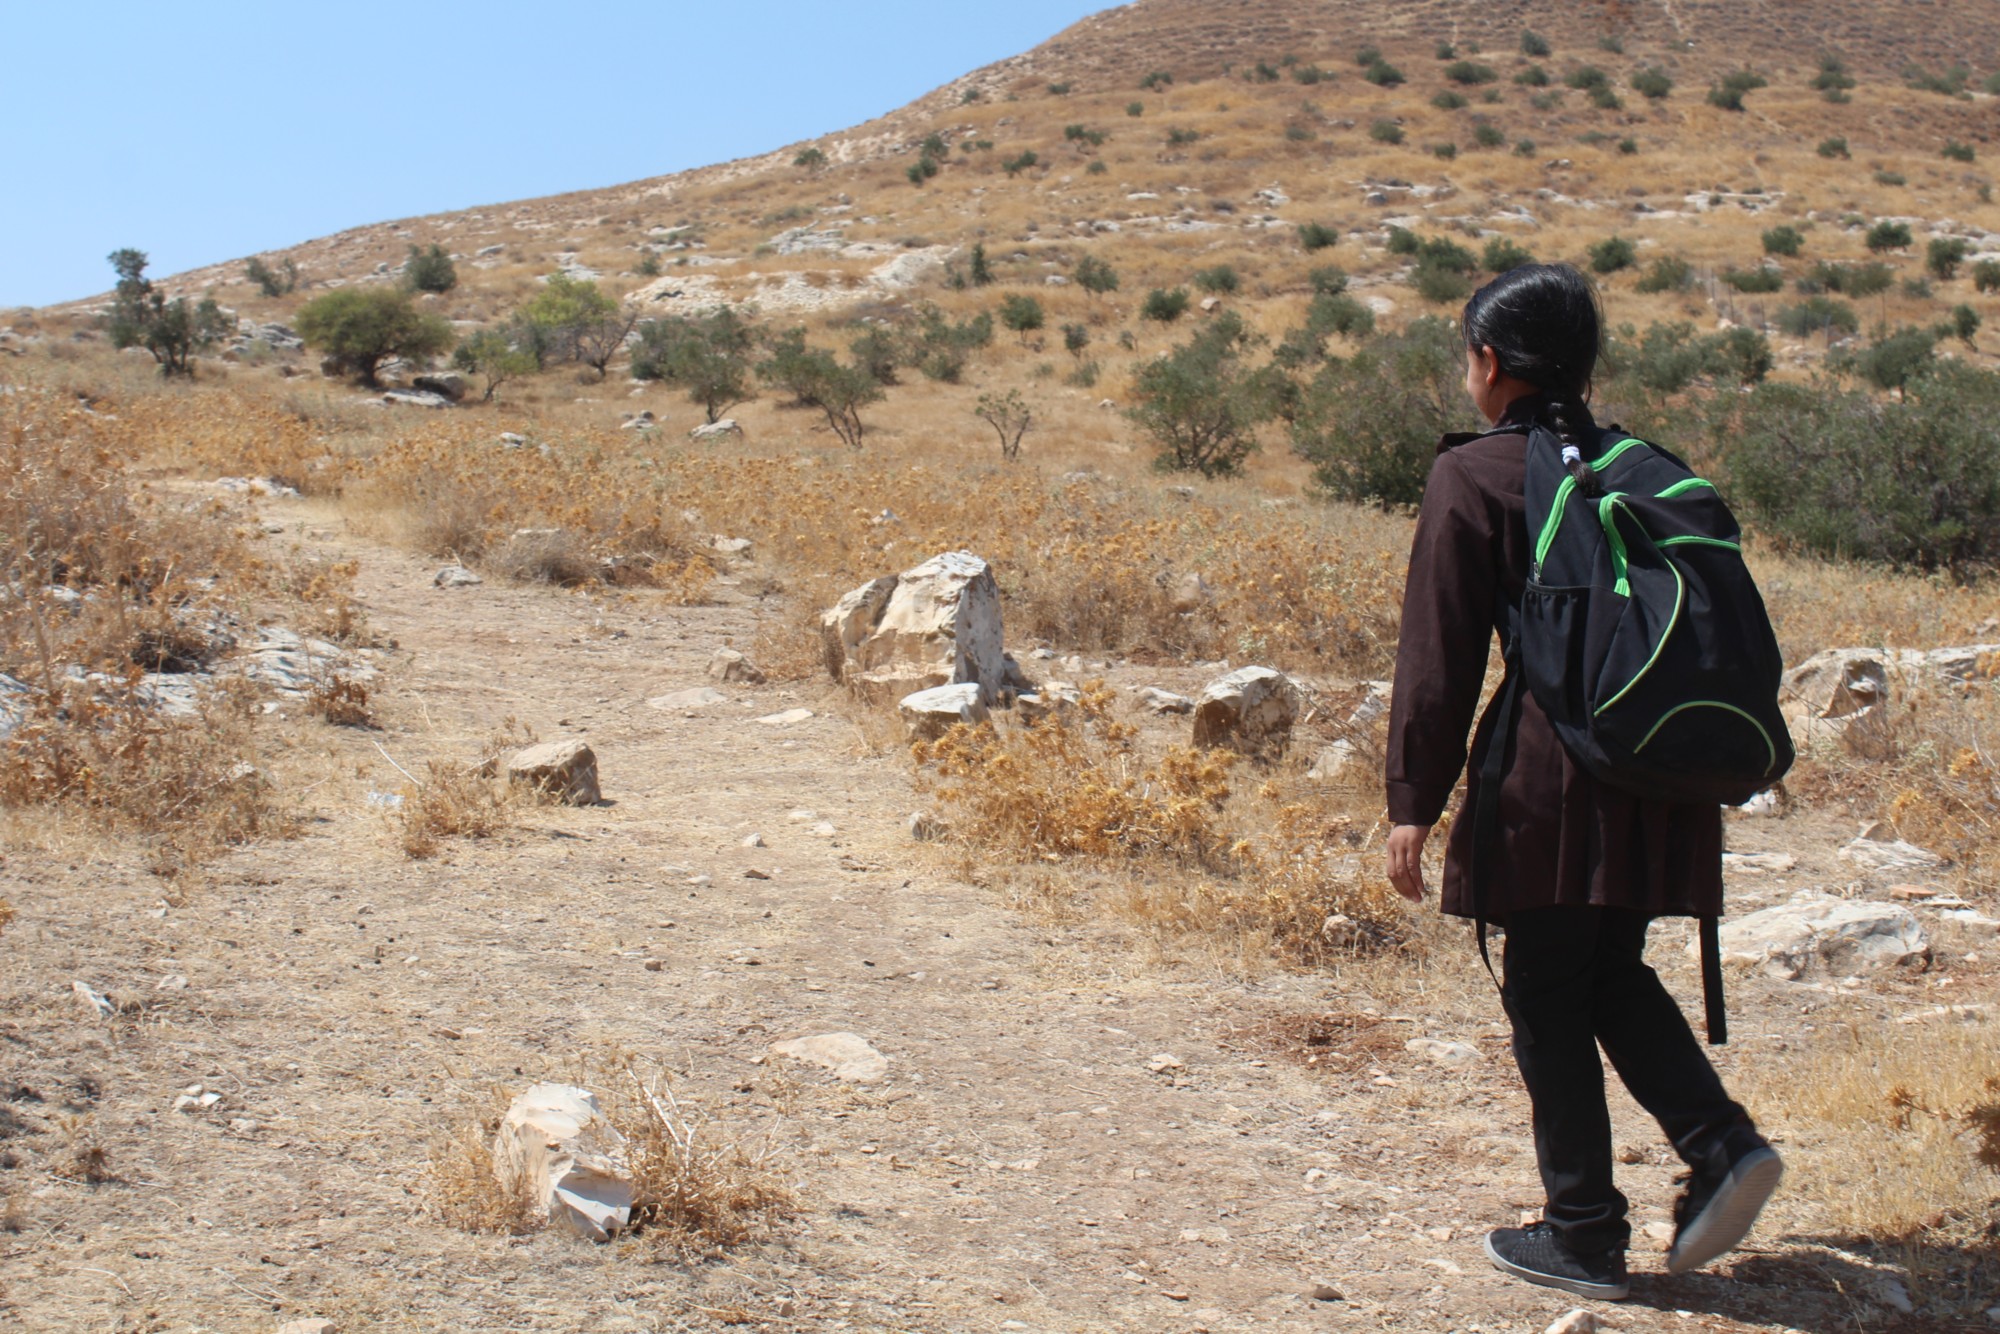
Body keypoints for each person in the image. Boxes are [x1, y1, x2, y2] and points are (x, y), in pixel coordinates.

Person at [1382, 263, 1782, 1302]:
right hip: (1660, 776)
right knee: (1597, 968)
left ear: (1488, 362)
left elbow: (1439, 654)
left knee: (1545, 989)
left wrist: (1409, 805)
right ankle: (1715, 1147)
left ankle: (1585, 1230)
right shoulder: (1644, 466)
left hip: (1551, 783)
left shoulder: (1476, 475)